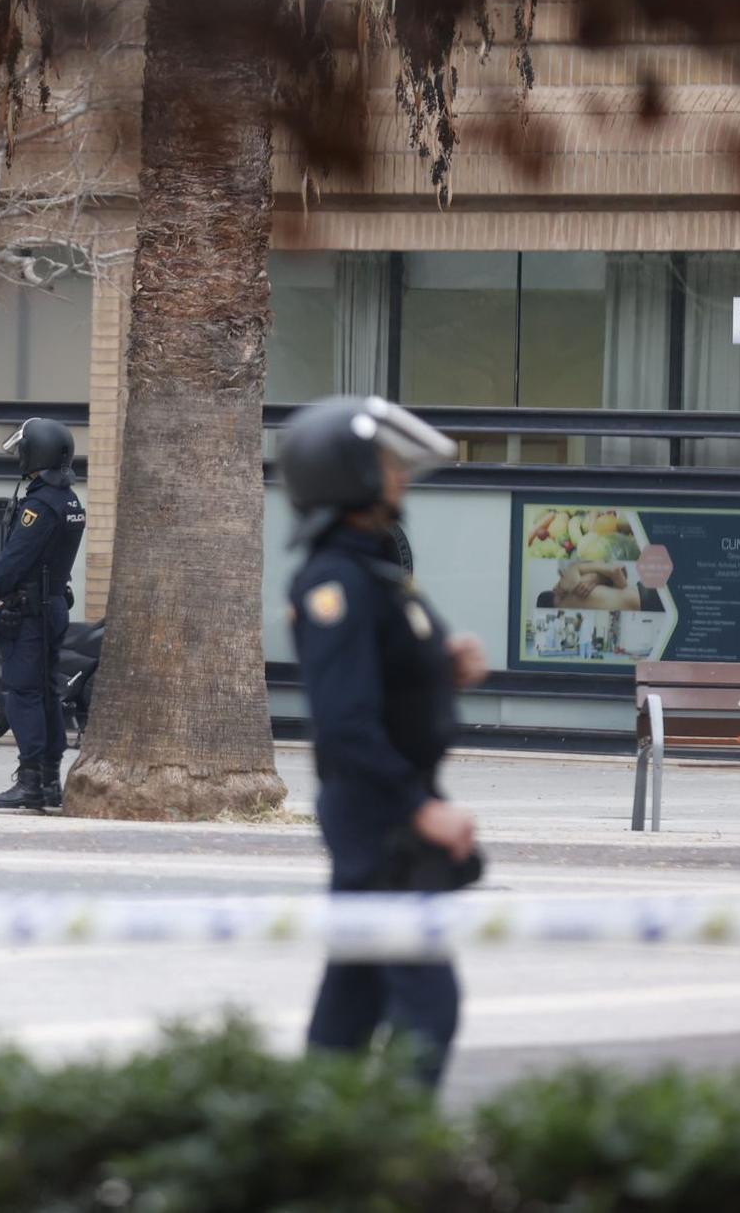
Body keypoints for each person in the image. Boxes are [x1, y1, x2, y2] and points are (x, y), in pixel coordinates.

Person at [278, 395, 488, 1089]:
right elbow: (344, 721)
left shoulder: (373, 568)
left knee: (353, 998)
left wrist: (443, 662)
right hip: (378, 813)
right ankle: (394, 1157)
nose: (398, 473)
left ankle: (322, 1148)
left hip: (386, 804)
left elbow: (388, 668)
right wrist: (415, 807)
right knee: (429, 1003)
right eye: (383, 461)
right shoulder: (335, 580)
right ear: (347, 476)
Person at [0, 418, 86, 813]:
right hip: (53, 605)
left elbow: (13, 560)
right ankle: (48, 781)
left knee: (23, 694)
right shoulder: (70, 501)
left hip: (29, 613)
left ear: (36, 452)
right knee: (47, 694)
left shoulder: (40, 504)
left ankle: (29, 782)